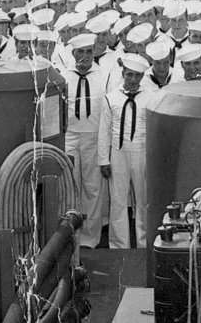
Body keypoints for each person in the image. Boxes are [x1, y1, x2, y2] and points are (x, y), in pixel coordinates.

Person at [98, 54, 155, 248]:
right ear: (123, 73)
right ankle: (119, 244)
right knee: (118, 199)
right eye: (129, 74)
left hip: (142, 152)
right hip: (118, 153)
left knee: (143, 199)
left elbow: (154, 129)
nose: (133, 79)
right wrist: (103, 160)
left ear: (142, 77)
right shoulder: (111, 98)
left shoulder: (150, 98)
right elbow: (104, 131)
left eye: (137, 75)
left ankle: (143, 243)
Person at [62, 33, 110, 249]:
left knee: (93, 188)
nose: (85, 56)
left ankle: (90, 239)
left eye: (89, 51)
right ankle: (69, 237)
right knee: (70, 185)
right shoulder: (63, 76)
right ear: (73, 53)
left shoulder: (104, 76)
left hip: (93, 136)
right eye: (80, 52)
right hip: (70, 136)